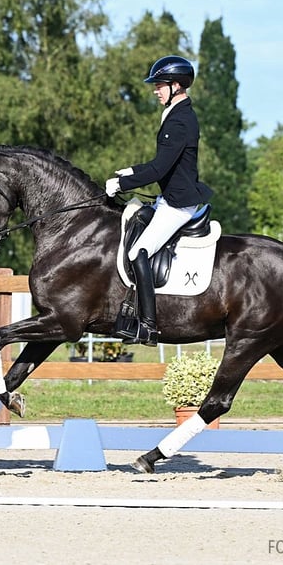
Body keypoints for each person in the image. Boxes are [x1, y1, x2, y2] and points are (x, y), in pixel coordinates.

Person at [105, 54, 213, 346]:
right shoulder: (177, 115)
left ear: (176, 86)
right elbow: (161, 162)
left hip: (178, 204)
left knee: (138, 251)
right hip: (171, 198)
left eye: (160, 85)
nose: (156, 90)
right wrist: (132, 170)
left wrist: (123, 183)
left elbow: (160, 169)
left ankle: (148, 325)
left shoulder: (180, 120)